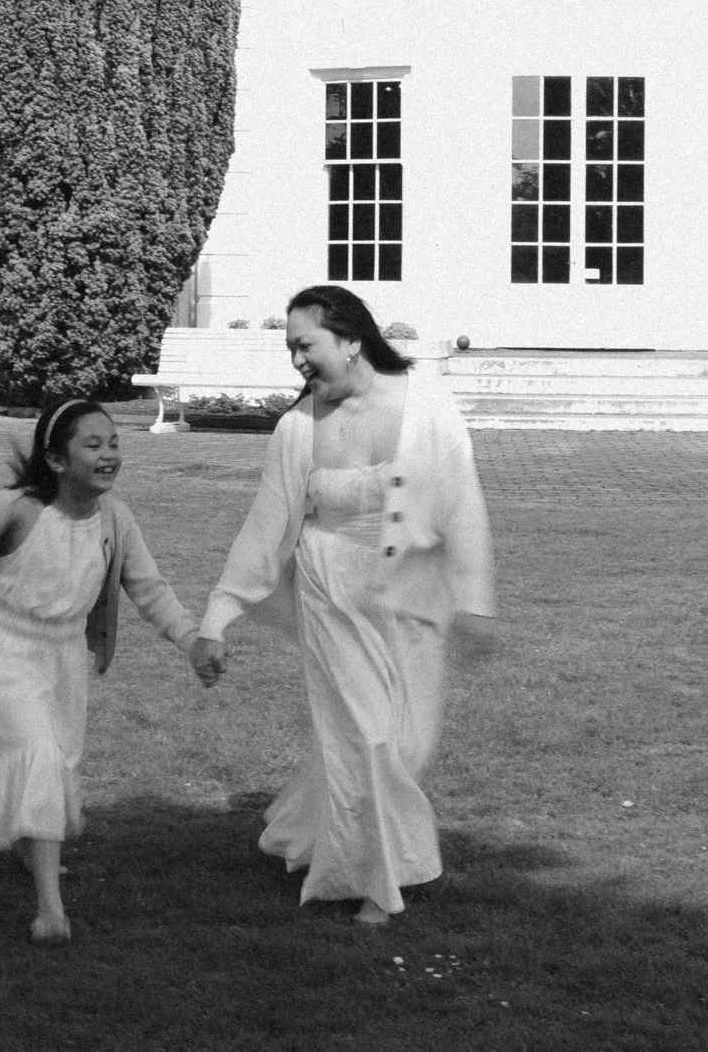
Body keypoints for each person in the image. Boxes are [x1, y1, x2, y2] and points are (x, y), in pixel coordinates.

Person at [192, 285, 497, 924]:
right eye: (290, 349)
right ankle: (375, 885)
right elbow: (266, 524)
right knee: (367, 735)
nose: (297, 361)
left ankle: (316, 829)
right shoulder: (296, 428)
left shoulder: (429, 408)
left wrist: (474, 605)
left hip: (412, 597)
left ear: (351, 339)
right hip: (329, 591)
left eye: (306, 345)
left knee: (407, 743)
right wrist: (218, 616)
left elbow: (463, 509)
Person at [0, 399, 200, 943]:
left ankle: (25, 841)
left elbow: (149, 589)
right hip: (3, 648)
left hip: (65, 657)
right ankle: (51, 909)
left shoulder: (117, 521)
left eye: (114, 444)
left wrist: (193, 640)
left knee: (55, 770)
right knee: (39, 756)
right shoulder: (12, 507)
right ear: (56, 460)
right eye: (93, 444)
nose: (109, 455)